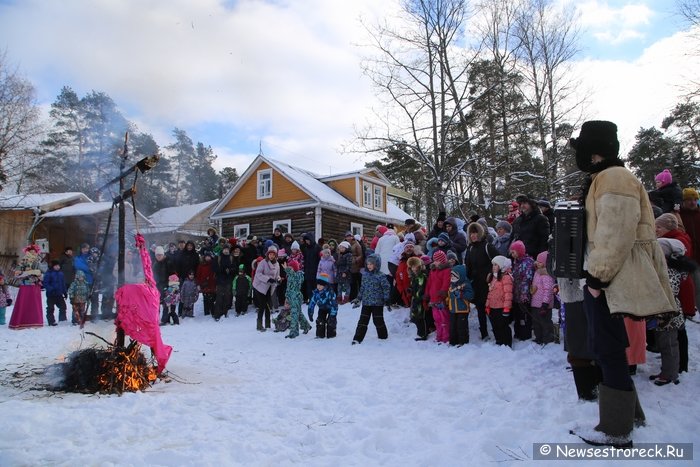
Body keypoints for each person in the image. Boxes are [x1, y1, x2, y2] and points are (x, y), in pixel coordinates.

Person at [569, 120, 675, 447]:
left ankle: (615, 430)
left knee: (608, 349)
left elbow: (615, 233)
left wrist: (598, 278)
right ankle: (629, 417)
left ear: (594, 151)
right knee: (609, 347)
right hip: (606, 276)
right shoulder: (605, 177)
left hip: (607, 279)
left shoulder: (614, 178)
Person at [651, 238, 691, 386]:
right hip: (664, 312)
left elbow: (669, 291)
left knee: (669, 345)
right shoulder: (666, 268)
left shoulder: (670, 271)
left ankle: (670, 373)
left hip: (668, 314)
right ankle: (667, 370)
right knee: (664, 343)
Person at [466, 222, 499, 341]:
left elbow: (498, 260)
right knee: (480, 309)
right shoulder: (469, 248)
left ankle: (497, 333)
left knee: (490, 309)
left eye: (475, 233)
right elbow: (468, 266)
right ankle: (484, 333)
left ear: (480, 233)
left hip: (487, 284)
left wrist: (491, 273)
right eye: (471, 233)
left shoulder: (487, 246)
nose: (473, 235)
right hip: (476, 284)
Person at [351, 254, 390, 344]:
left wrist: (386, 299)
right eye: (368, 264)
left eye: (371, 264)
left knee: (378, 320)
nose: (369, 266)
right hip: (366, 302)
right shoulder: (365, 275)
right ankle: (357, 338)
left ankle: (383, 336)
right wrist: (359, 298)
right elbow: (362, 288)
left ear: (376, 264)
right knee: (362, 321)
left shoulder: (381, 276)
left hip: (377, 303)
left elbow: (386, 287)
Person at [8, 244, 44, 329]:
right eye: (31, 251)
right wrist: (25, 272)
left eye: (34, 251)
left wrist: (36, 272)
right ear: (28, 252)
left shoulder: (38, 261)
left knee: (34, 303)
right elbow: (17, 272)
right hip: (25, 284)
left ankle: (35, 321)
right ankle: (21, 321)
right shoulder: (24, 260)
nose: (33, 253)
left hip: (35, 284)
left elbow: (42, 272)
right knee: (24, 302)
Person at [485, 256, 513, 347]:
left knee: (503, 326)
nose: (493, 266)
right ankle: (499, 341)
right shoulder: (493, 277)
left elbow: (508, 294)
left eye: (496, 265)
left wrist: (506, 308)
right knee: (495, 326)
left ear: (501, 266)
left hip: (501, 307)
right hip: (493, 306)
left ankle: (507, 343)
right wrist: (488, 305)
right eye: (493, 265)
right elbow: (490, 292)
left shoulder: (506, 277)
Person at [679, 187, 700, 311]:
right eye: (689, 200)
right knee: (695, 287)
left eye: (695, 199)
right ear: (684, 201)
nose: (692, 202)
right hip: (689, 259)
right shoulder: (680, 216)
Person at [509, 240, 534, 341]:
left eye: (513, 251)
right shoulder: (516, 262)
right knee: (517, 315)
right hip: (516, 293)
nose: (512, 253)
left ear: (519, 251)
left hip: (524, 295)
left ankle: (525, 334)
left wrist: (524, 294)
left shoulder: (527, 262)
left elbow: (527, 279)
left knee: (524, 315)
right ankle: (518, 332)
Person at [425, 250, 452, 344]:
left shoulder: (446, 271)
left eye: (437, 260)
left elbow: (446, 283)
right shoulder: (433, 271)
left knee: (444, 318)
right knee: (437, 319)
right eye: (434, 260)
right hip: (433, 299)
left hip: (441, 299)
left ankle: (446, 336)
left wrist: (443, 292)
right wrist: (427, 294)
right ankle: (439, 335)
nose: (435, 262)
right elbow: (429, 283)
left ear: (442, 261)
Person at [511, 194, 550, 258]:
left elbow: (544, 241)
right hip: (517, 258)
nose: (522, 206)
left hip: (533, 257)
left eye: (525, 203)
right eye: (521, 203)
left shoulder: (541, 219)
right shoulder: (518, 220)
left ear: (532, 204)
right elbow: (512, 238)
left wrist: (540, 259)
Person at [530, 251, 556, 345]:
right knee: (536, 322)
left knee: (545, 323)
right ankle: (539, 337)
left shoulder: (547, 275)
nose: (537, 263)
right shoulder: (537, 272)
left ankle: (548, 339)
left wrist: (545, 304)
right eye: (537, 261)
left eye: (540, 262)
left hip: (543, 304)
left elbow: (548, 290)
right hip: (535, 303)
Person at [252, 245, 281, 331]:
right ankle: (259, 324)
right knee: (262, 305)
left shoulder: (277, 264)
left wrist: (278, 279)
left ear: (276, 255)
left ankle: (268, 324)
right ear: (267, 254)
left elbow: (277, 275)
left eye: (273, 254)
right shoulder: (263, 262)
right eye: (270, 254)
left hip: (269, 287)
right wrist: (268, 279)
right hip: (260, 286)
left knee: (269, 306)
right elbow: (258, 274)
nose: (271, 256)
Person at [447, 263, 474, 346]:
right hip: (453, 308)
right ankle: (453, 341)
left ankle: (463, 341)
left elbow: (471, 295)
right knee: (453, 326)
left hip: (462, 308)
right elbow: (450, 294)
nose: (452, 278)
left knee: (461, 326)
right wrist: (447, 301)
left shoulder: (465, 283)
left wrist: (461, 295)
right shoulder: (452, 284)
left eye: (454, 276)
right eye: (451, 276)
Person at [283, 259, 311, 338]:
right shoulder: (290, 275)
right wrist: (287, 297)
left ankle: (294, 332)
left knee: (294, 314)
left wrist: (288, 270)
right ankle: (306, 326)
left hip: (296, 297)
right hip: (291, 297)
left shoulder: (298, 275)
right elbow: (289, 287)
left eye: (291, 267)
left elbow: (295, 280)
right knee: (298, 313)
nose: (289, 269)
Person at [308, 273, 338, 339]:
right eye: (318, 284)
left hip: (330, 308)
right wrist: (310, 312)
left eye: (321, 285)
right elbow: (312, 303)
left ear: (325, 285)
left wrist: (333, 314)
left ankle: (331, 335)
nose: (318, 286)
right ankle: (320, 334)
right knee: (320, 320)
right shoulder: (316, 293)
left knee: (331, 321)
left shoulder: (330, 292)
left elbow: (334, 304)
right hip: (322, 308)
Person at [407, 256, 430, 341]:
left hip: (421, 299)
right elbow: (413, 287)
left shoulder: (422, 276)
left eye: (415, 266)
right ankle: (420, 332)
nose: (414, 268)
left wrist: (419, 296)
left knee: (421, 316)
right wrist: (410, 290)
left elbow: (422, 287)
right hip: (415, 299)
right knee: (415, 316)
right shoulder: (414, 277)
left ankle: (424, 333)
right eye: (412, 267)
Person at [212, 245, 235, 321]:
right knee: (219, 298)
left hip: (228, 280)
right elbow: (214, 268)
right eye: (224, 249)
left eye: (227, 249)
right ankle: (217, 314)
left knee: (227, 297)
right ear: (222, 250)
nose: (226, 251)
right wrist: (223, 269)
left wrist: (230, 270)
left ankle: (224, 312)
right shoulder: (218, 258)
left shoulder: (231, 258)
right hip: (220, 280)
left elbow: (235, 268)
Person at [43, 260, 67, 326]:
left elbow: (63, 284)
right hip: (51, 294)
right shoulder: (48, 273)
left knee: (63, 307)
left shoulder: (61, 273)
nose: (57, 267)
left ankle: (62, 320)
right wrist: (51, 289)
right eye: (56, 266)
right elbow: (45, 283)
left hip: (59, 294)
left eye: (58, 266)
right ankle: (51, 321)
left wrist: (65, 292)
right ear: (53, 266)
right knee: (50, 308)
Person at [196, 251, 217, 317]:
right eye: (206, 257)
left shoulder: (214, 264)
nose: (208, 258)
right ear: (204, 257)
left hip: (212, 283)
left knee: (212, 298)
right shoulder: (201, 265)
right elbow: (198, 275)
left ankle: (212, 310)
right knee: (205, 298)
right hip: (204, 284)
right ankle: (206, 311)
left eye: (209, 256)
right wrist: (198, 284)